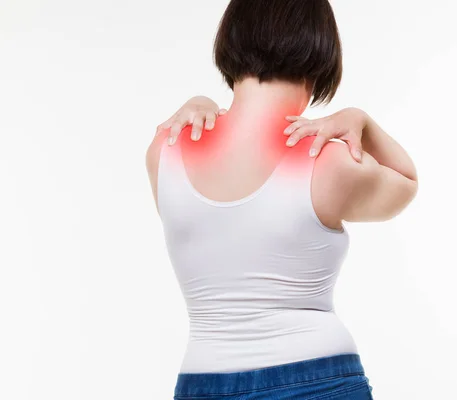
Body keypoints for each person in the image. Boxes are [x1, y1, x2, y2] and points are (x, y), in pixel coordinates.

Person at [145, 0, 418, 398]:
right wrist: (361, 120)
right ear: (320, 56)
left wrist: (203, 103)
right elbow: (406, 182)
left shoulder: (163, 151)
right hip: (318, 378)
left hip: (203, 380)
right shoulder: (328, 159)